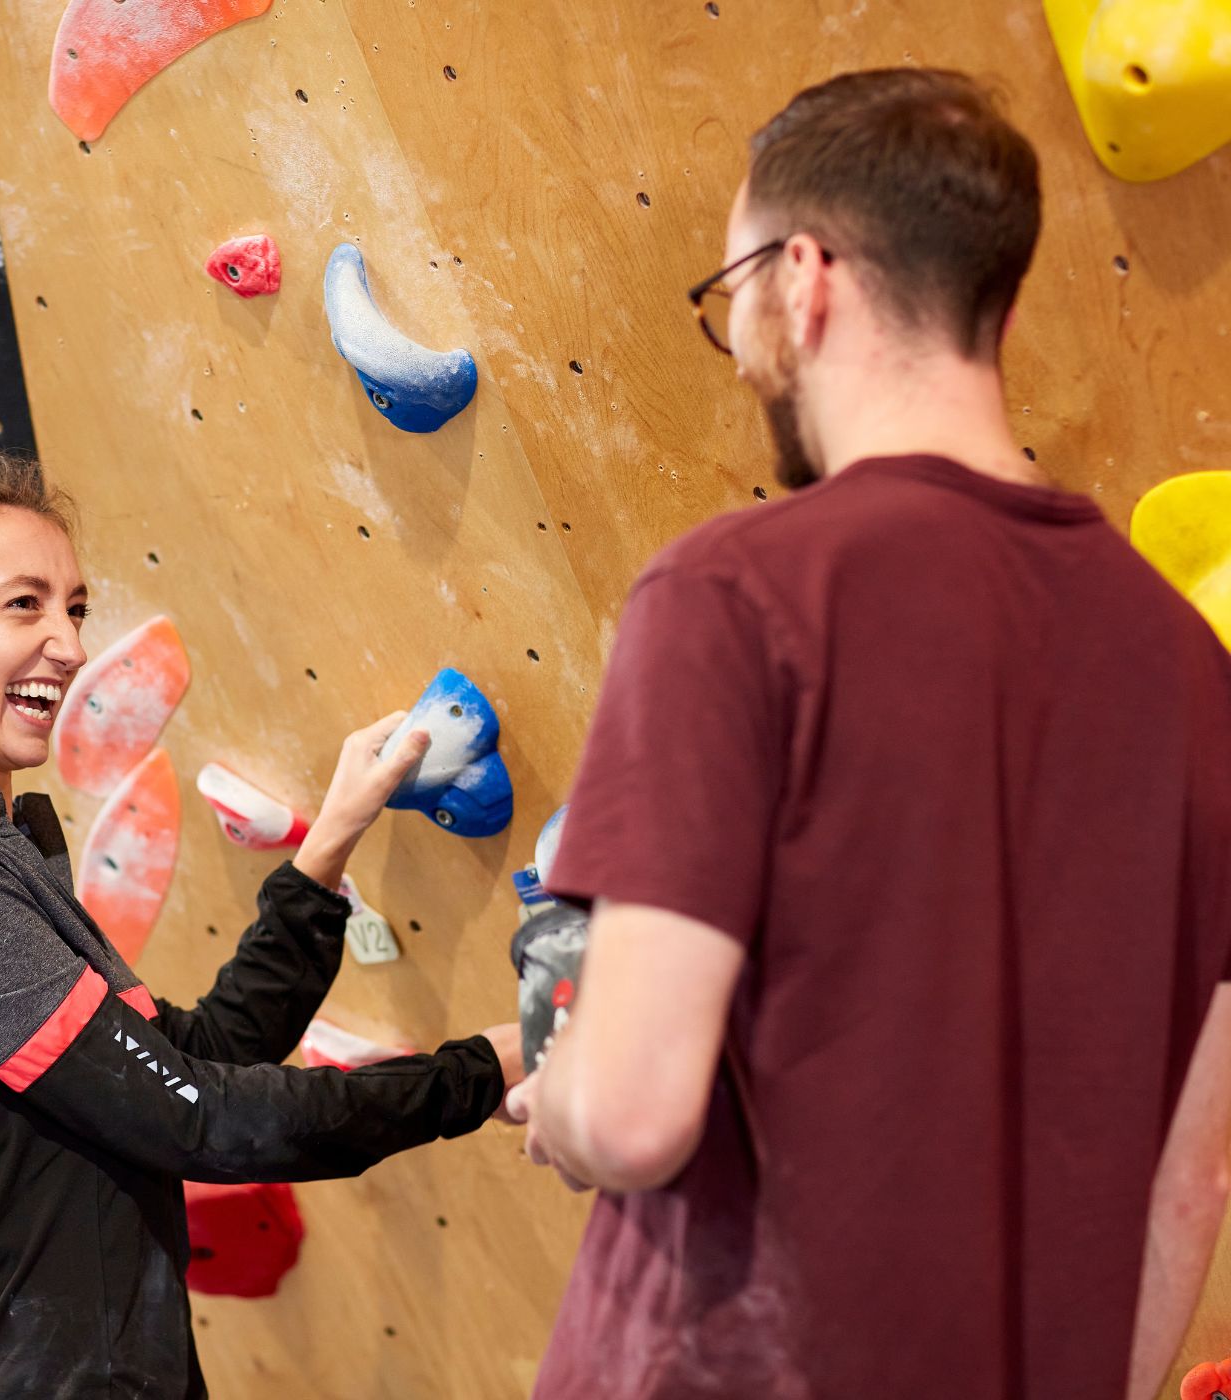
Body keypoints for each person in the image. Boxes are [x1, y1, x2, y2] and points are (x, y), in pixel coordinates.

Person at [506, 68, 1231, 1400]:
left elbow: (630, 1109)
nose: (739, 346)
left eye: (732, 299)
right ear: (991, 303)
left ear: (806, 279)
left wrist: (554, 1102)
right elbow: (1195, 1175)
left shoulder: (735, 595)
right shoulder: (1193, 672)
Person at [0, 452, 522, 1399]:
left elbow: (199, 1056)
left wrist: (330, 840)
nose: (67, 641)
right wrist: (491, 1066)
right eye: (24, 605)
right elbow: (203, 1120)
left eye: (76, 608)